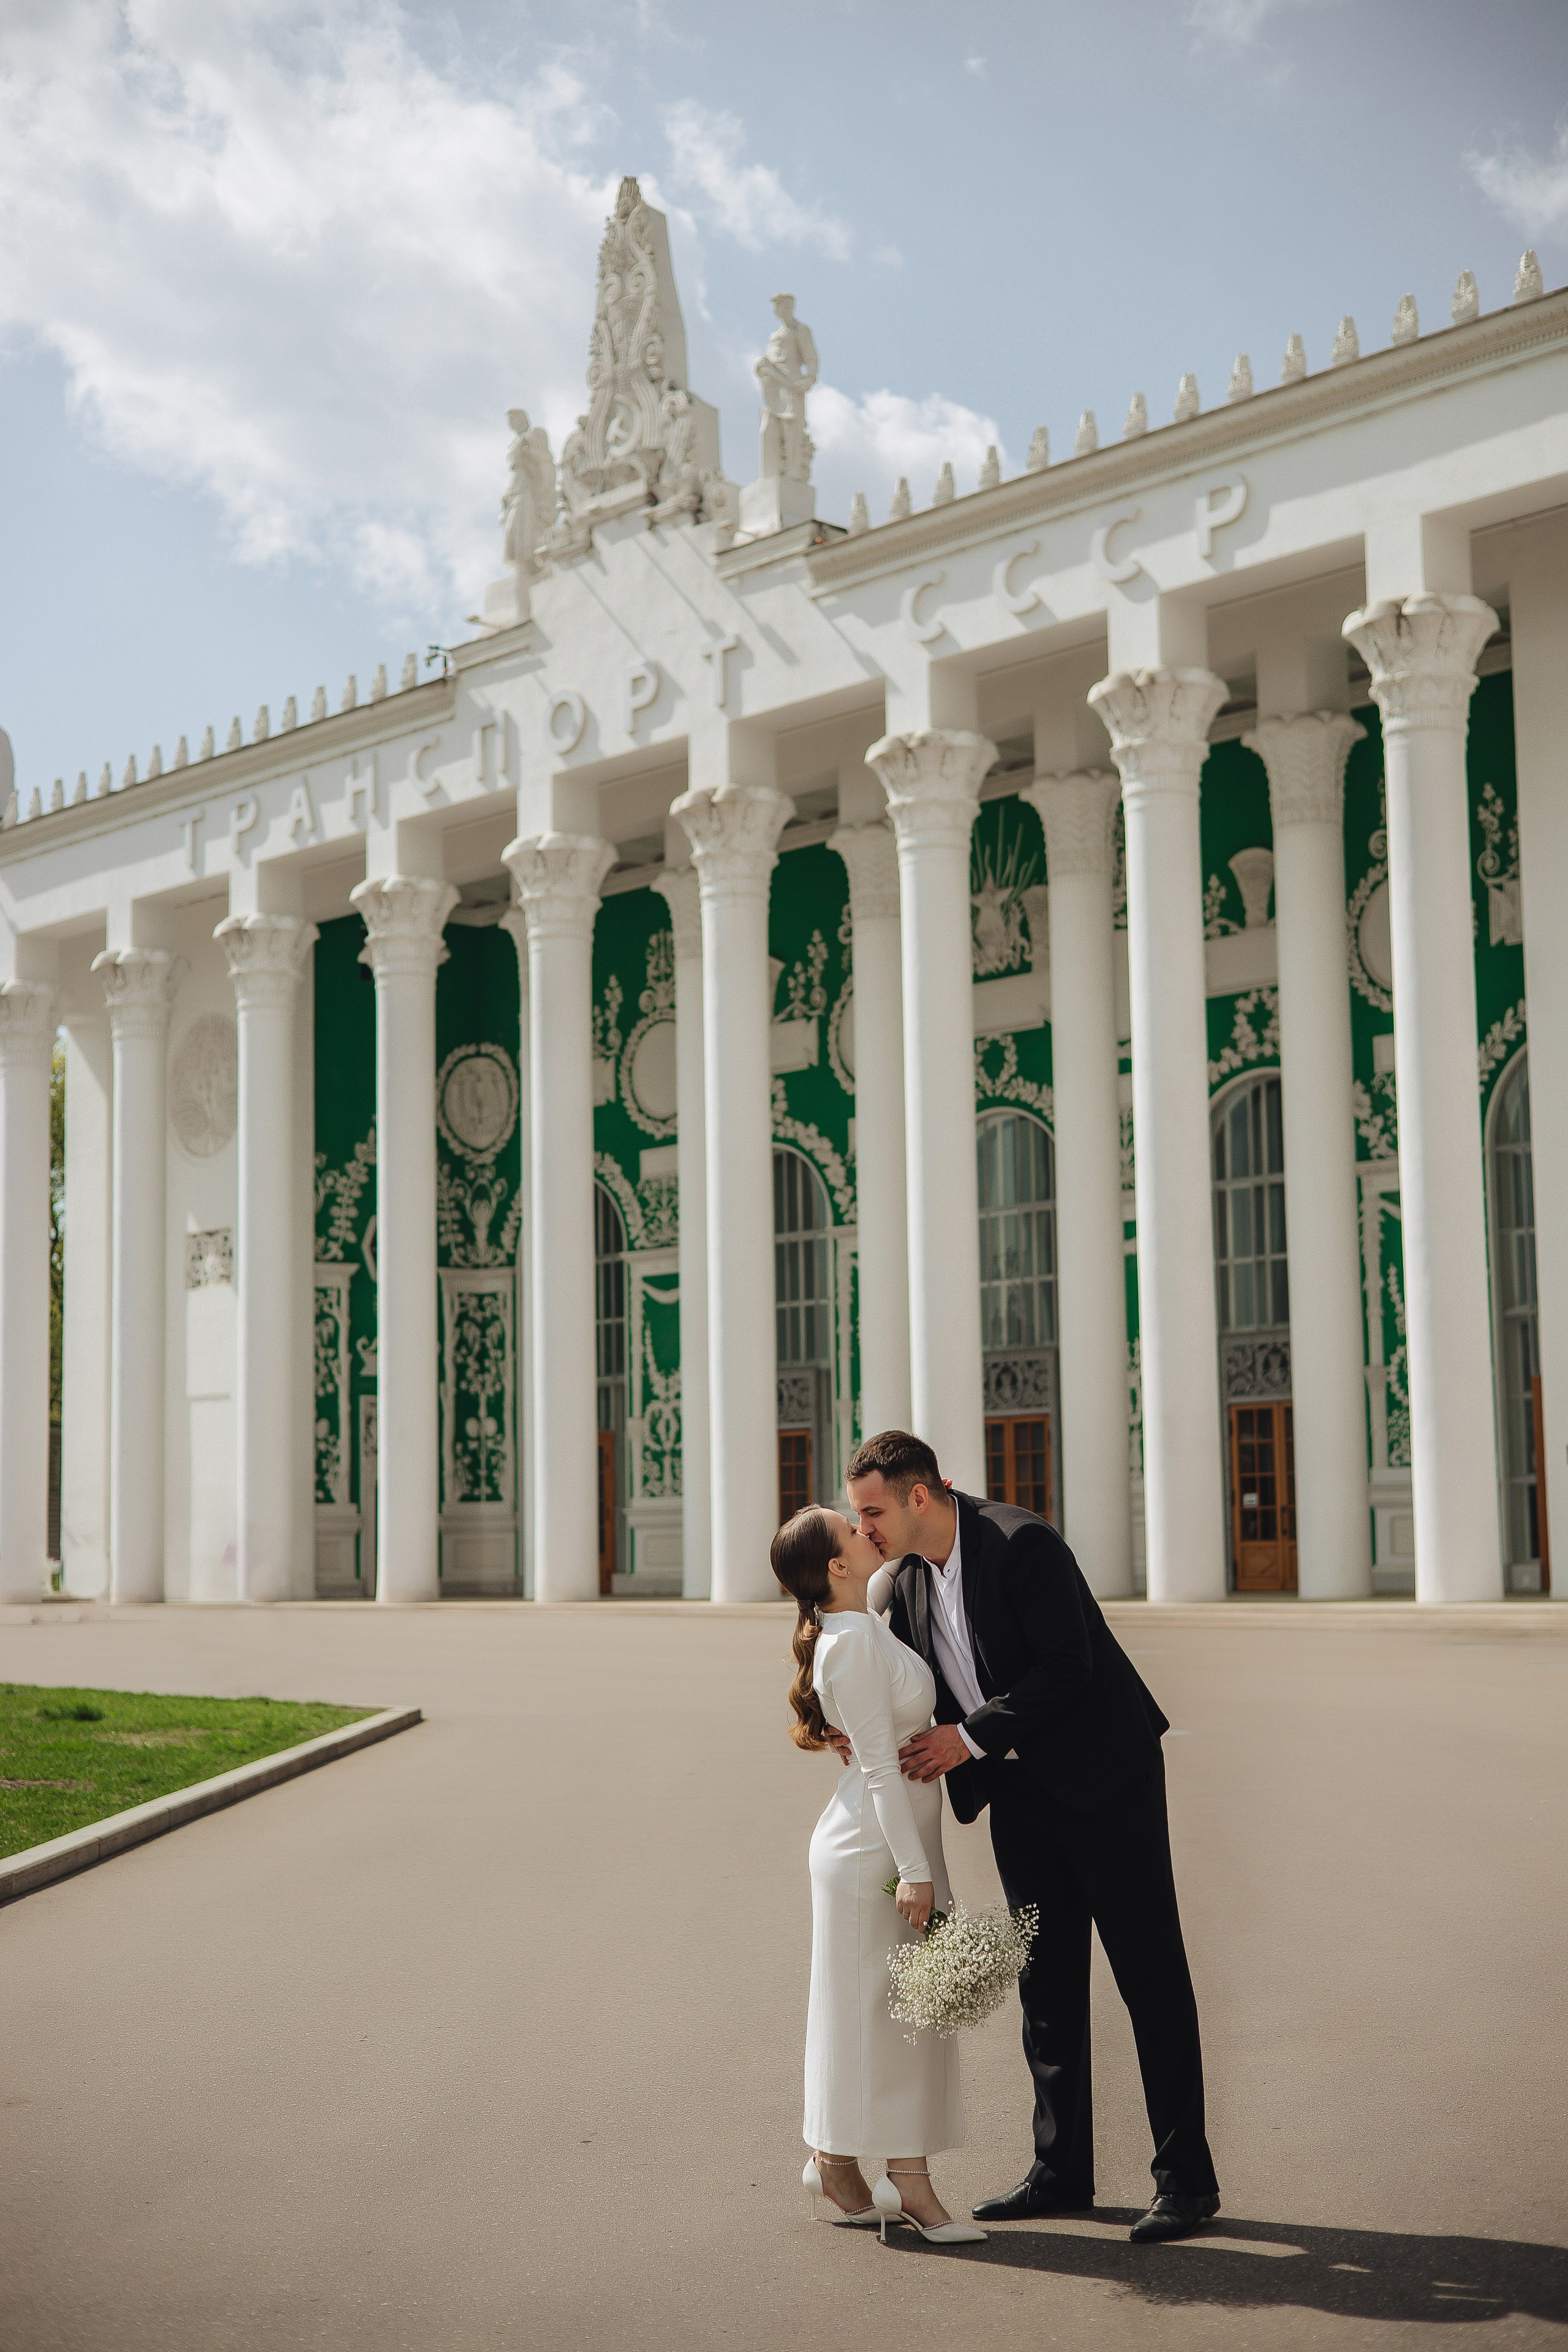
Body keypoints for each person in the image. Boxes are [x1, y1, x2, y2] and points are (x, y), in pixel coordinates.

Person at [838, 1428, 1220, 2245]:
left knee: (1149, 1977)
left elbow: (1066, 1664)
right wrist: (851, 1731)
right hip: (1019, 1795)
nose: (863, 1527)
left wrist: (967, 1739)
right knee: (1046, 1987)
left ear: (918, 1497)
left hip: (1106, 1779)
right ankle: (1062, 2172)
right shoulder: (900, 1585)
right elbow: (902, 1687)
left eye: (872, 1511)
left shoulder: (1022, 1543)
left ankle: (1185, 2183)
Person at [772, 1504, 985, 2246]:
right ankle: (907, 2183)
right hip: (875, 1851)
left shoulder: (860, 1620)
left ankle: (836, 2162)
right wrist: (916, 1871)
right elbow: (880, 1771)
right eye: (853, 1528)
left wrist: (935, 1498)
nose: (869, 1532)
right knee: (894, 2020)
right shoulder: (852, 1643)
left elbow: (901, 1555)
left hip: (885, 1844)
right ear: (835, 1567)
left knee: (887, 2016)